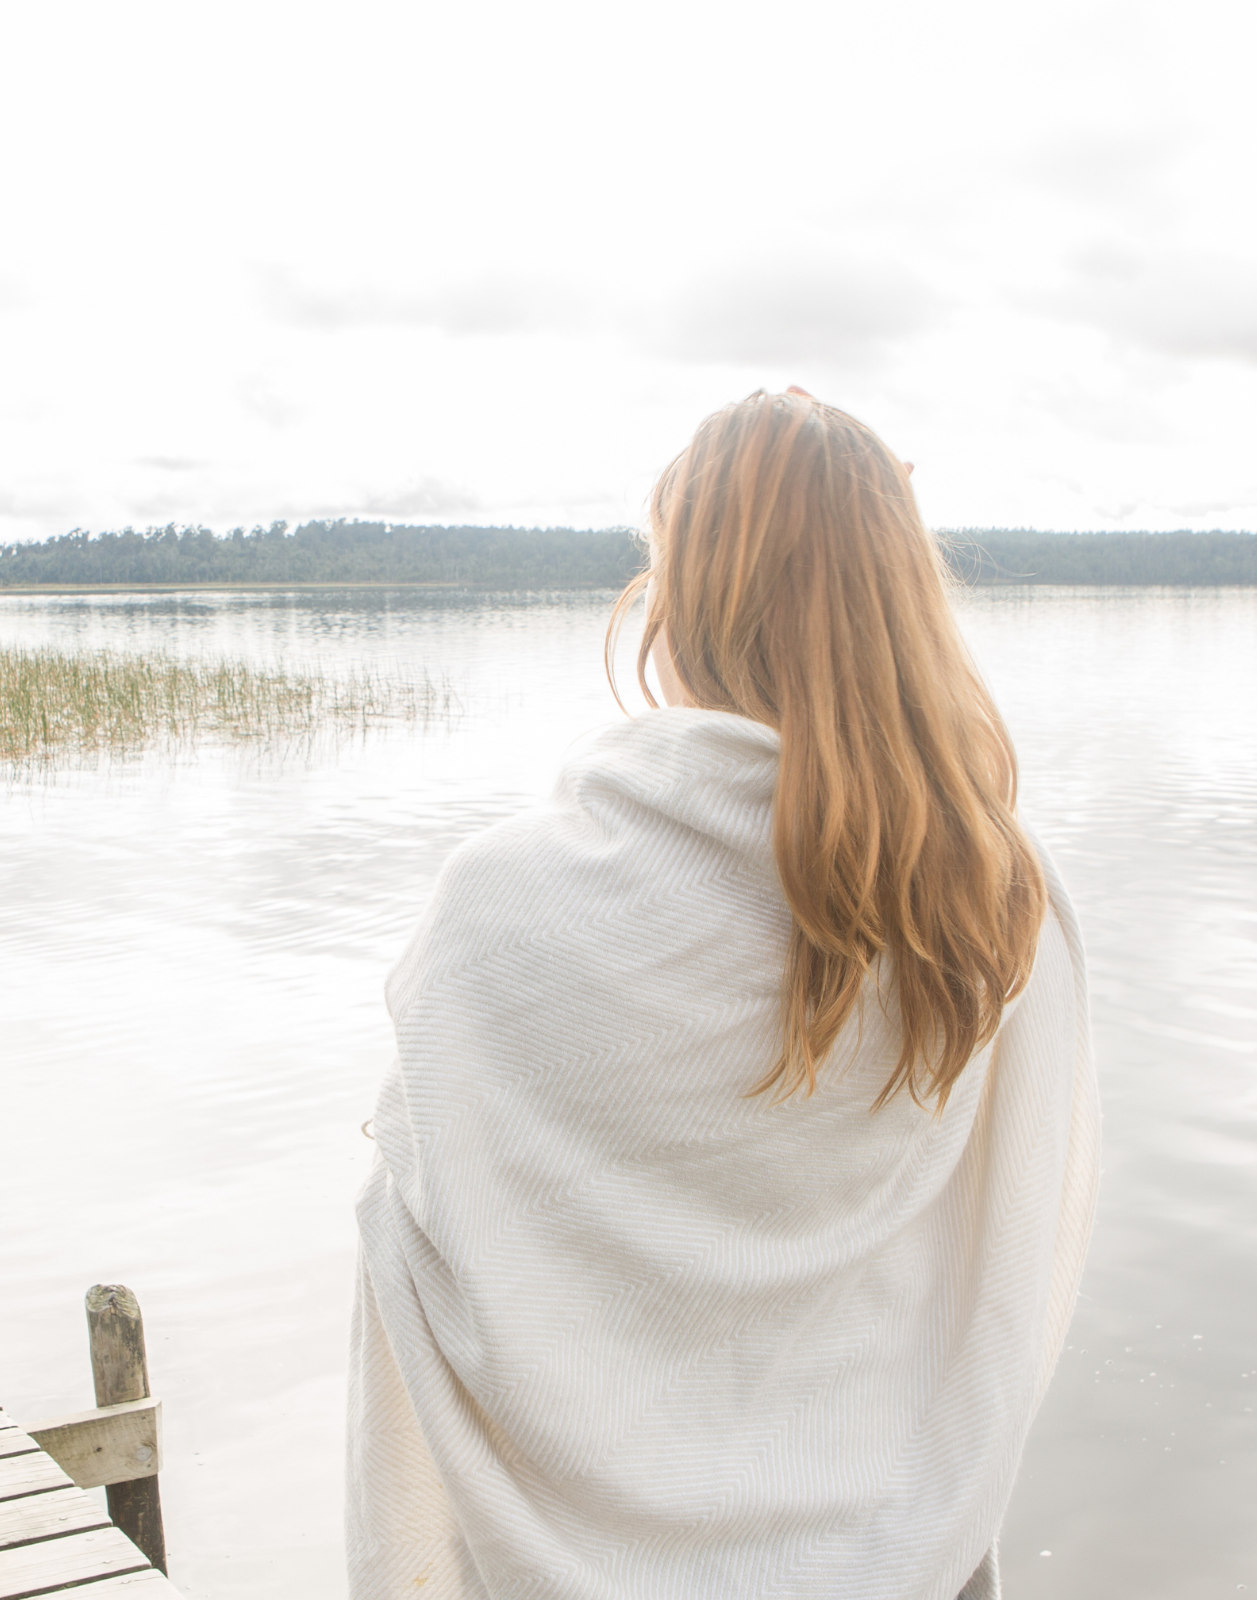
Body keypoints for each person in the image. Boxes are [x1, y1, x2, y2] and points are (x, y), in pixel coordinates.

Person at [348, 389, 1101, 1599]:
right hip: (896, 1559)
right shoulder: (985, 905)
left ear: (684, 595)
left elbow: (425, 1257)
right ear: (904, 599)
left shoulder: (496, 914)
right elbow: (1009, 1250)